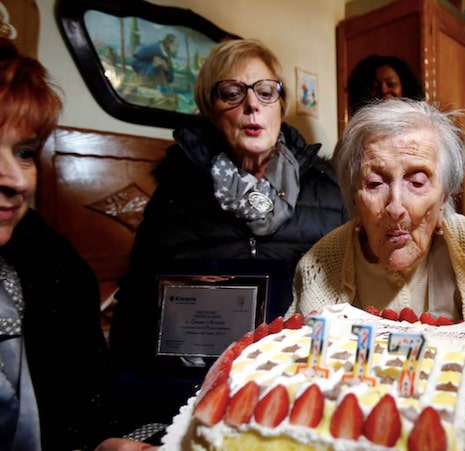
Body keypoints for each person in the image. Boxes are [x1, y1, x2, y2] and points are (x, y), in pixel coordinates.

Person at [109, 38, 347, 434]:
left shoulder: (330, 191)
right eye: (232, 93)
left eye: (265, 92)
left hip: (301, 394)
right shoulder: (174, 196)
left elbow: (351, 306)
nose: (252, 105)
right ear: (210, 110)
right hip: (195, 398)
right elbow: (135, 315)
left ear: (280, 106)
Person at [288, 98, 465, 364]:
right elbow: (301, 366)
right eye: (375, 183)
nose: (395, 207)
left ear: (443, 198)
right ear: (353, 197)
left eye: (417, 182)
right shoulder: (321, 262)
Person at [0, 38, 138, 450]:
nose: (16, 179)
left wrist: (102, 445)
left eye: (25, 153)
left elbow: (81, 416)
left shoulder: (56, 268)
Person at [346, 54, 424, 117]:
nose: (383, 90)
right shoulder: (360, 127)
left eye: (390, 84)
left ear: (405, 86)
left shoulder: (418, 122)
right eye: (374, 87)